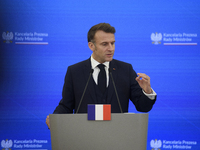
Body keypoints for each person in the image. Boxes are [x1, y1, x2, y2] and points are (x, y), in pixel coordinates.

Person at [46, 23, 156, 129]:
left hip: (117, 137)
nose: (111, 48)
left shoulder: (125, 69)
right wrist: (55, 118)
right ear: (91, 46)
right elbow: (66, 106)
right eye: (104, 44)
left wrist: (147, 92)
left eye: (112, 43)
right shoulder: (75, 71)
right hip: (84, 137)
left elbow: (143, 107)